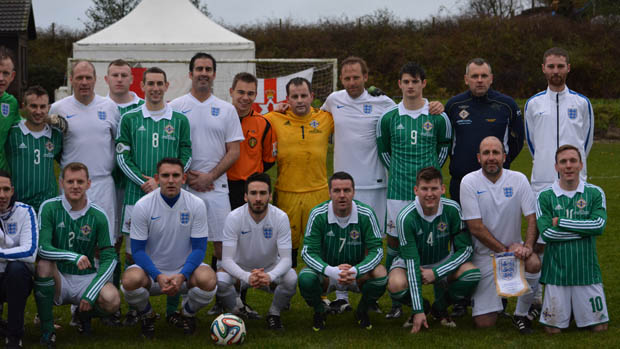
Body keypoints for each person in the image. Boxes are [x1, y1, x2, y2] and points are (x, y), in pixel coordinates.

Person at [116, 67, 192, 325]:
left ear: (167, 85)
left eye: (160, 83)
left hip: (171, 195)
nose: (156, 88)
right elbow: (121, 156)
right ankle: (138, 307)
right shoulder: (129, 118)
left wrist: (163, 182)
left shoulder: (179, 120)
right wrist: (144, 181)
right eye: (151, 83)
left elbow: (187, 154)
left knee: (175, 248)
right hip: (136, 196)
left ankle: (172, 310)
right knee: (131, 252)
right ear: (143, 86)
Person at [169, 53, 243, 296]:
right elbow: (170, 150)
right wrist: (187, 176)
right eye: (199, 68)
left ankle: (226, 302)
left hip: (217, 188)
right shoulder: (175, 107)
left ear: (214, 74)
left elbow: (234, 151)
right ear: (190, 74)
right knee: (184, 245)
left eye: (208, 69)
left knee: (223, 247)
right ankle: (183, 302)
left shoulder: (226, 110)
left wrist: (210, 176)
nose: (203, 73)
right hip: (184, 188)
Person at [121, 158, 217, 338]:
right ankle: (148, 315)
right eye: (165, 176)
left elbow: (199, 248)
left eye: (175, 175)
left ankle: (187, 314)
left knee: (209, 280)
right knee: (129, 281)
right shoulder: (143, 205)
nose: (171, 180)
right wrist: (157, 275)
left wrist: (183, 275)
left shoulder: (196, 204)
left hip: (185, 272)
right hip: (152, 274)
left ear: (184, 178)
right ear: (157, 179)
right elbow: (138, 250)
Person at [459, 136, 541, 333]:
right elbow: (476, 227)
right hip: (486, 256)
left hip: (516, 252)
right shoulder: (469, 182)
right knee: (484, 323)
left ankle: (523, 312)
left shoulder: (518, 179)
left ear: (504, 156)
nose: (491, 157)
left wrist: (527, 247)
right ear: (479, 158)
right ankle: (498, 298)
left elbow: (532, 218)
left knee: (534, 262)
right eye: (486, 153)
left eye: (496, 152)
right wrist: (505, 251)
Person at [35, 162, 120, 347]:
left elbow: (110, 257)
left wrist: (91, 292)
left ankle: (84, 315)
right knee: (43, 265)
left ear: (89, 184)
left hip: (86, 278)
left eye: (80, 181)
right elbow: (43, 248)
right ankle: (48, 330)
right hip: (60, 277)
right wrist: (72, 256)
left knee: (112, 299)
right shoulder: (49, 208)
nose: (75, 186)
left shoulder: (98, 215)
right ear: (61, 183)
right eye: (70, 181)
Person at [386, 167, 480, 333]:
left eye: (434, 188)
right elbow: (411, 260)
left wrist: (436, 272)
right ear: (416, 190)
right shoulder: (405, 217)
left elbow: (465, 250)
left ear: (442, 189)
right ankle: (423, 306)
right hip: (410, 263)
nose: (429, 194)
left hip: (442, 260)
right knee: (395, 284)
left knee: (472, 274)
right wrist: (418, 310)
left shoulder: (452, 209)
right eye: (424, 188)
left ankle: (440, 307)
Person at [299, 171, 386, 331]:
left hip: (356, 275)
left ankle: (362, 311)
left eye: (346, 190)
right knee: (305, 277)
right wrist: (331, 271)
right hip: (328, 275)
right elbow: (307, 252)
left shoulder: (366, 213)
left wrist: (355, 270)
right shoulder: (318, 214)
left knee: (380, 274)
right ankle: (320, 310)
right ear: (329, 192)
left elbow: (377, 251)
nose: (342, 195)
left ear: (354, 192)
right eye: (337, 191)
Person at [377, 61, 452, 243]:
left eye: (415, 81)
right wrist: (398, 169)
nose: (410, 86)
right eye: (406, 81)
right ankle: (394, 271)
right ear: (399, 84)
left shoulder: (438, 117)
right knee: (394, 241)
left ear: (423, 83)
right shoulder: (388, 117)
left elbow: (443, 149)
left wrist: (431, 170)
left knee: (431, 237)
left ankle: (431, 270)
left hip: (429, 188)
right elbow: (384, 151)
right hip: (398, 188)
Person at [536, 145, 608, 333]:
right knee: (553, 330)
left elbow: (599, 226)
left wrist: (560, 221)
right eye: (563, 162)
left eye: (573, 161)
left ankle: (577, 310)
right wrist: (585, 230)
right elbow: (547, 234)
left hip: (587, 271)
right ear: (556, 167)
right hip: (556, 273)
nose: (568, 166)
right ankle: (571, 311)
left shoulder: (594, 193)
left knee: (600, 327)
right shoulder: (545, 196)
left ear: (580, 165)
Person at [264, 77, 334, 269]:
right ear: (287, 99)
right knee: (287, 248)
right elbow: (250, 122)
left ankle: (321, 294)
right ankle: (285, 292)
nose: (300, 100)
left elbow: (353, 119)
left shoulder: (326, 118)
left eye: (304, 95)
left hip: (318, 192)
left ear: (312, 97)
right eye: (295, 96)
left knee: (319, 246)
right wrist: (273, 110)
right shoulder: (273, 119)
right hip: (287, 193)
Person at [49, 60, 121, 246]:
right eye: (79, 77)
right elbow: (53, 146)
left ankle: (107, 275)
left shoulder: (110, 107)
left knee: (104, 242)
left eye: (88, 77)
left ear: (95, 80)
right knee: (69, 240)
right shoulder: (58, 108)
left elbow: (117, 143)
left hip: (102, 183)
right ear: (71, 79)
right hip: (71, 186)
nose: (84, 82)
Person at [216, 172, 297, 330]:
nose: (258, 198)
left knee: (291, 278)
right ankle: (237, 313)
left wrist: (270, 276)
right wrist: (247, 276)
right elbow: (226, 259)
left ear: (270, 196)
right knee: (220, 280)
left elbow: (287, 259)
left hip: (270, 267)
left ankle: (274, 314)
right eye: (253, 193)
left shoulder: (280, 217)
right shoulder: (234, 217)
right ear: (245, 196)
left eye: (262, 193)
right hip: (240, 269)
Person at [445, 58, 524, 204]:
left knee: (497, 226)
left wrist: (500, 161)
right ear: (466, 79)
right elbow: (445, 140)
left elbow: (518, 140)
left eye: (484, 76)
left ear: (491, 78)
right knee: (463, 227)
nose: (479, 80)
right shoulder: (453, 105)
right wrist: (459, 160)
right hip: (461, 181)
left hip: (497, 181)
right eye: (475, 76)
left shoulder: (507, 105)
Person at [104, 59, 146, 326]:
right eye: (114, 75)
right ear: (106, 79)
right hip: (107, 184)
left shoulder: (142, 106)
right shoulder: (100, 106)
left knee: (133, 246)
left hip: (135, 186)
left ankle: (132, 299)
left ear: (132, 79)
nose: (119, 79)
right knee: (111, 243)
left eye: (124, 75)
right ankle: (112, 300)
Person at [525, 47, 594, 193]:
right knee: (544, 217)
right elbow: (532, 143)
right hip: (543, 180)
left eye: (560, 66)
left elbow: (586, 142)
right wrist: (544, 158)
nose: (555, 71)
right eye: (551, 66)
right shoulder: (533, 104)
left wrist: (572, 162)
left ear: (568, 68)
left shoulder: (582, 103)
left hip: (574, 180)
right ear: (543, 68)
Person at [6, 86, 62, 211]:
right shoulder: (12, 132)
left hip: (47, 205)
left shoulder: (56, 135)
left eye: (42, 107)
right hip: (17, 205)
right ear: (24, 106)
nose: (38, 111)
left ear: (49, 107)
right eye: (33, 106)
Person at [226, 72, 277, 210]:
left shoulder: (264, 123)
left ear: (255, 95)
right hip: (223, 186)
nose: (245, 98)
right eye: (241, 92)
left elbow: (268, 160)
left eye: (250, 93)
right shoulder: (220, 119)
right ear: (231, 92)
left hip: (251, 187)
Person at [0, 170, 38, 348]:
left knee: (16, 269)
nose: (2, 195)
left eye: (6, 189)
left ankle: (14, 335)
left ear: (12, 190)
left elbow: (30, 253)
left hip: (16, 279)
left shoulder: (25, 211)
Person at [0, 47, 22, 172]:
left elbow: (22, 127)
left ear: (12, 76)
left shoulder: (11, 103)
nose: (1, 78)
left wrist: (45, 120)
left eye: (5, 73)